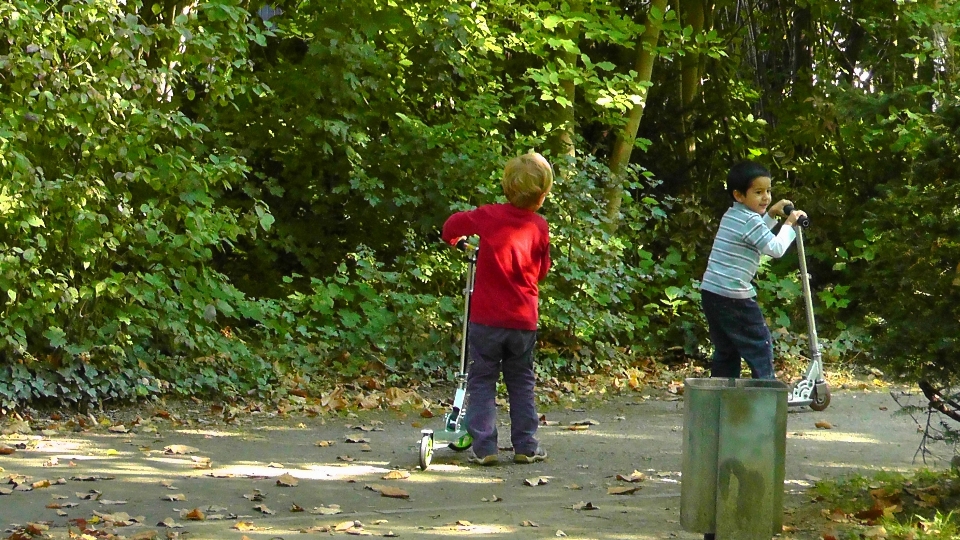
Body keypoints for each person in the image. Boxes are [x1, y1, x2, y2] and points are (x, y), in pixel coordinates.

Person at [441, 152, 553, 465]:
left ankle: (485, 447)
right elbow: (542, 270)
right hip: (522, 319)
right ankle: (526, 446)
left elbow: (451, 227)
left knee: (482, 379)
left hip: (486, 319)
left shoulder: (488, 216)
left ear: (505, 188)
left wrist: (460, 243)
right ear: (542, 195)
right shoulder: (539, 226)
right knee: (521, 381)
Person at [700, 160, 808, 380]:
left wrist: (771, 215)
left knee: (726, 351)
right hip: (733, 296)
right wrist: (790, 223)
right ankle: (765, 394)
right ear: (739, 195)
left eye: (768, 191)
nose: (766, 197)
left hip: (712, 292)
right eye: (758, 192)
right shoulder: (749, 220)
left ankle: (721, 395)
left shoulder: (734, 215)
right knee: (759, 344)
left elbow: (755, 238)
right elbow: (775, 249)